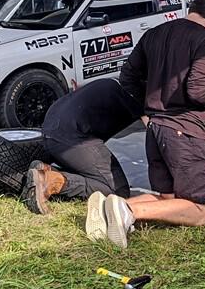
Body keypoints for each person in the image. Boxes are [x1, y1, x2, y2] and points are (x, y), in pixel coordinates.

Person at [84, 0, 205, 248]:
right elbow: (198, 92)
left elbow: (128, 77)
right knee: (201, 210)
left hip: (155, 130)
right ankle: (127, 211)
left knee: (170, 198)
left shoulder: (155, 33)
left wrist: (145, 112)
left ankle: (106, 208)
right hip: (185, 131)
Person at [21, 78, 143, 220]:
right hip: (71, 138)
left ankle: (45, 170)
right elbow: (156, 135)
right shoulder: (139, 95)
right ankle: (50, 180)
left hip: (50, 130)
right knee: (117, 191)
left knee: (98, 171)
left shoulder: (112, 83)